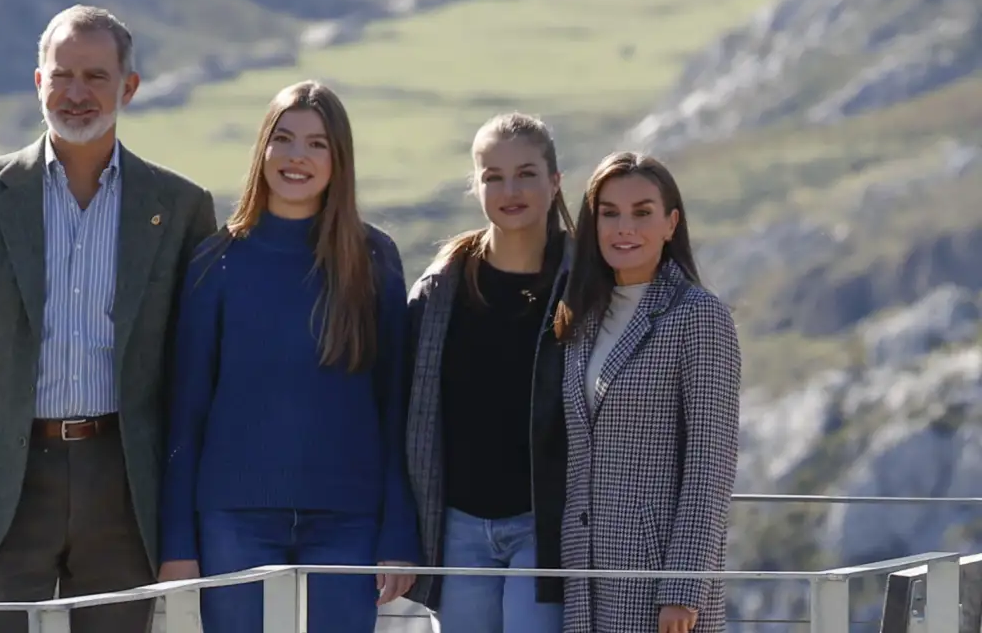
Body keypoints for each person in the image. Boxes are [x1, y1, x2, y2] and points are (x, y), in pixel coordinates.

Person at [0, 4, 218, 633]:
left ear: (128, 87)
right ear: (38, 81)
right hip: (2, 484)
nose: (77, 93)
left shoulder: (180, 207)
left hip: (124, 483)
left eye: (96, 77)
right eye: (63, 74)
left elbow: (195, 373)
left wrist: (190, 511)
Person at [157, 80, 420, 633]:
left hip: (349, 519)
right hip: (233, 517)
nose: (297, 156)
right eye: (284, 139)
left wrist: (398, 533)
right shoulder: (217, 261)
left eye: (317, 144)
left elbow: (397, 407)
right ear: (263, 150)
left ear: (339, 159)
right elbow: (186, 411)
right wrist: (178, 541)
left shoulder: (374, 260)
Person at [553, 151, 741, 633]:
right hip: (585, 578)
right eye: (609, 213)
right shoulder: (581, 317)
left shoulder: (699, 316)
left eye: (642, 213)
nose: (624, 228)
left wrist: (683, 588)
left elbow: (710, 464)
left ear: (670, 223)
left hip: (657, 580)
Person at [404, 112, 575, 633]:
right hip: (457, 527)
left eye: (526, 173)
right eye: (492, 176)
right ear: (475, 185)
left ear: (555, 182)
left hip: (544, 525)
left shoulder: (588, 285)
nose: (510, 189)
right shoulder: (440, 290)